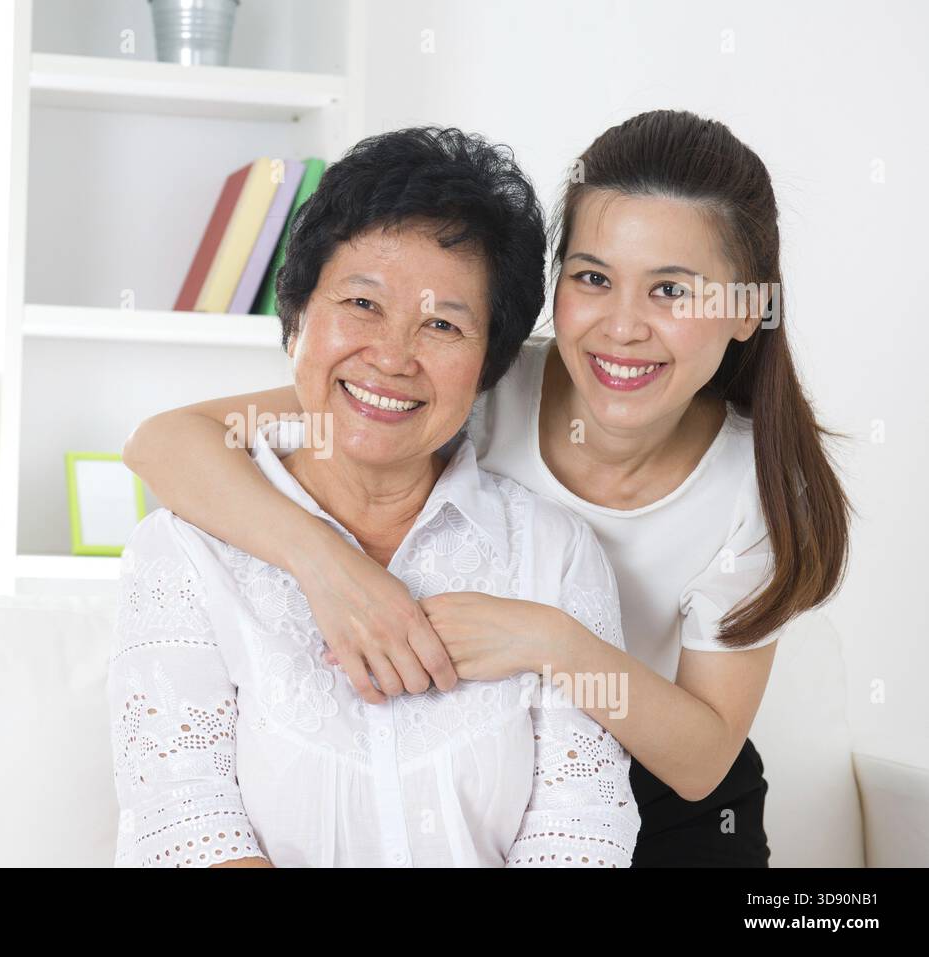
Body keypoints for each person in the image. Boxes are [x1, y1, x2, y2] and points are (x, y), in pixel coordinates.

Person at [122, 111, 853, 866]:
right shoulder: (473, 382)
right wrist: (331, 568)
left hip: (668, 798)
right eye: (594, 278)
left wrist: (547, 638)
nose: (623, 326)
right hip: (517, 766)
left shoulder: (756, 490)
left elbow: (702, 761)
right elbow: (167, 442)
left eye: (671, 290)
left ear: (744, 311)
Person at [108, 128, 639, 867]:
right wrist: (322, 560)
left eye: (444, 325)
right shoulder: (183, 550)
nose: (392, 357)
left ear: (489, 366)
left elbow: (582, 831)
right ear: (295, 319)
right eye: (362, 303)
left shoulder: (553, 553)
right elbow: (186, 824)